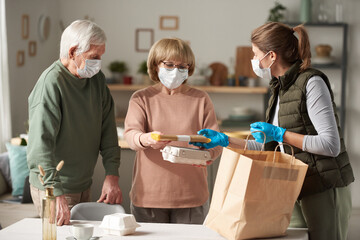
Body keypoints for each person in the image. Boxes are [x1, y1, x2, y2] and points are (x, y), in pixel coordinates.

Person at [192, 22, 354, 240]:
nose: (253, 60)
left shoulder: (312, 82)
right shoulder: (279, 88)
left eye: (255, 53)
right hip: (291, 185)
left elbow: (330, 145)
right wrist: (224, 140)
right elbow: (270, 146)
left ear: (271, 56)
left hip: (322, 187)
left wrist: (280, 133)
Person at [27, 20, 123, 226]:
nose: (98, 63)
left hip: (83, 184)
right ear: (72, 52)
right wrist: (55, 192)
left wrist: (112, 175)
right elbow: (39, 148)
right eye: (93, 57)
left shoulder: (96, 80)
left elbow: (108, 131)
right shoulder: (50, 84)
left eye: (100, 57)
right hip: (54, 187)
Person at [124, 37, 222, 224]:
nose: (176, 71)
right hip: (149, 196)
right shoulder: (141, 98)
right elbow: (131, 136)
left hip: (192, 196)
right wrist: (147, 139)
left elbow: (216, 141)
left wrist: (208, 155)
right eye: (169, 65)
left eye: (182, 66)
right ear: (155, 66)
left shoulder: (201, 99)